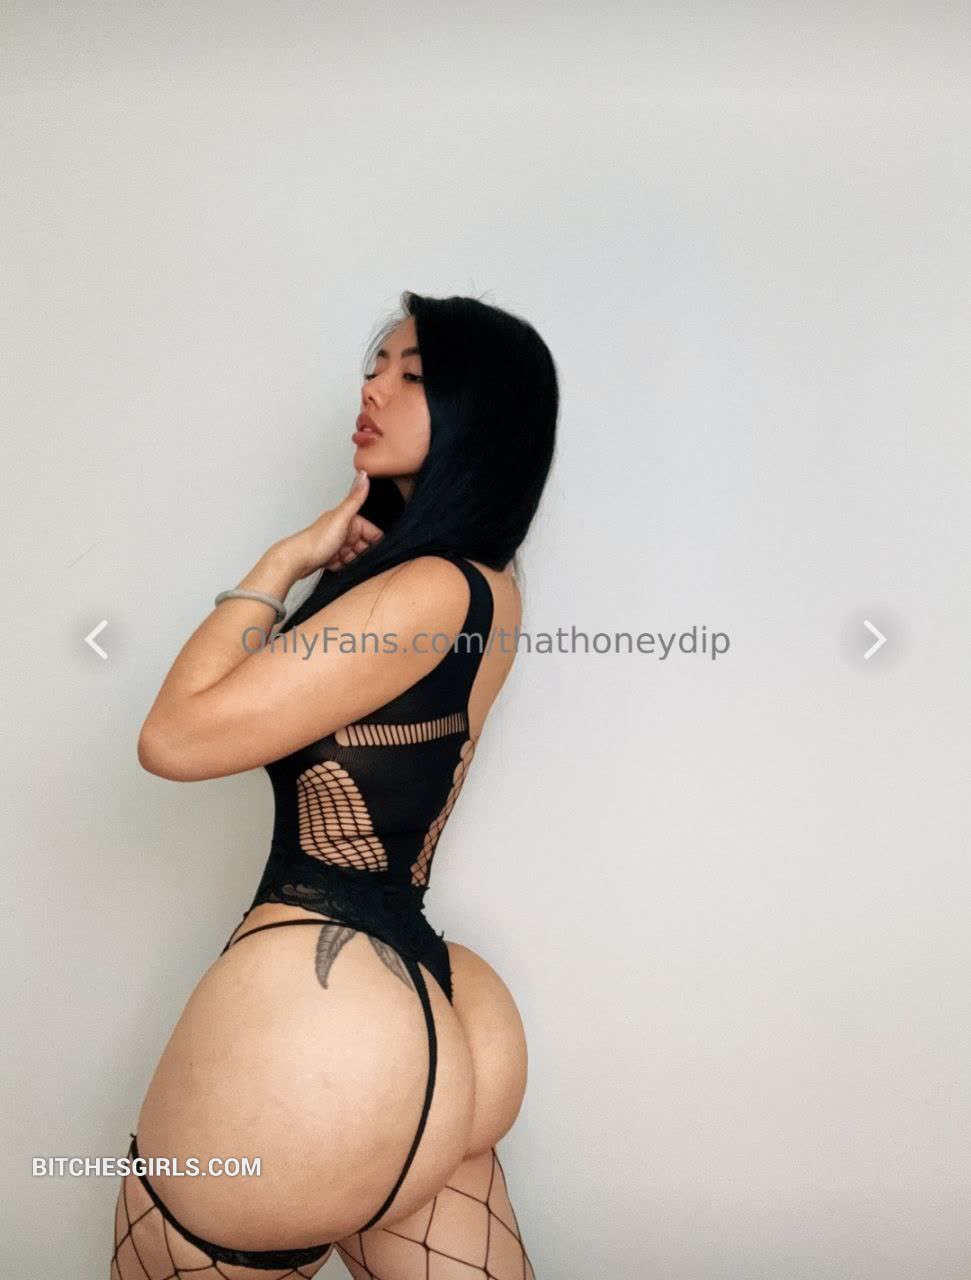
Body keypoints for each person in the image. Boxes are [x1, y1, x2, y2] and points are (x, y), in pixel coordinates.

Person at [109, 290, 559, 1279]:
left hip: (324, 1033)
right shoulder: (489, 587)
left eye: (413, 374)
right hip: (439, 1015)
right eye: (373, 366)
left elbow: (173, 736)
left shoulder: (424, 588)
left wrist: (279, 565)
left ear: (481, 415)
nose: (373, 388)